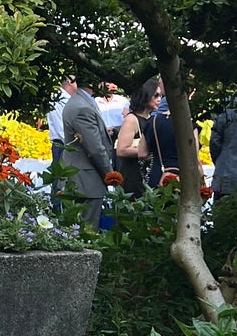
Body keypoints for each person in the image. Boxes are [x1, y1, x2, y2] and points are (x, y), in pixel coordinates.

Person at [63, 79, 117, 229]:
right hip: (86, 180)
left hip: (82, 178)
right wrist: (111, 176)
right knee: (87, 233)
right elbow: (95, 149)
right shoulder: (82, 107)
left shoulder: (80, 102)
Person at [115, 76, 162, 198]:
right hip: (132, 176)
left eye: (160, 96)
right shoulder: (132, 119)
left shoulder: (150, 119)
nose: (159, 99)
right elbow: (121, 149)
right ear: (145, 95)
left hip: (146, 176)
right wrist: (148, 152)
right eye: (155, 95)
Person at [144, 93, 180, 187]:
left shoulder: (153, 121)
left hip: (158, 172)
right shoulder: (188, 125)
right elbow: (195, 159)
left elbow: (142, 153)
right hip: (182, 174)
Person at [46, 77, 77, 171]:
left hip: (69, 143)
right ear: (69, 82)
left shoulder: (70, 99)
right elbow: (60, 128)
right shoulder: (58, 98)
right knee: (60, 178)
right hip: (63, 145)